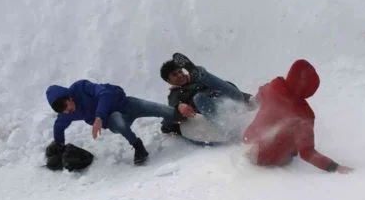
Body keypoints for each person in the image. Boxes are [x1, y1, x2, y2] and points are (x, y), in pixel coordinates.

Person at [242, 59, 353, 174]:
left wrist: (249, 106)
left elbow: (258, 98)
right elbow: (307, 153)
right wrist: (334, 167)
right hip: (268, 159)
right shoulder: (303, 114)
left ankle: (252, 149)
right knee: (292, 137)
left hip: (248, 140)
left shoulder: (273, 87)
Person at [46, 80, 180, 166]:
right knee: (119, 121)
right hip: (112, 119)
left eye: (66, 106)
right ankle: (138, 147)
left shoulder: (81, 87)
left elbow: (104, 93)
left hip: (126, 104)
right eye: (63, 111)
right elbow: (59, 126)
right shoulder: (68, 114)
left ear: (69, 98)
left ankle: (172, 123)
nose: (67, 111)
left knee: (163, 110)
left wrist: (98, 117)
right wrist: (59, 145)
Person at [159, 52, 251, 134]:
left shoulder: (195, 79)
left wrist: (249, 98)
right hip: (216, 112)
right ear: (169, 81)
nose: (180, 75)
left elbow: (224, 86)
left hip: (232, 99)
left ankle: (201, 74)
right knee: (198, 98)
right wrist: (179, 106)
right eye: (174, 75)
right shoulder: (175, 94)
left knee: (217, 83)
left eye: (180, 71)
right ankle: (201, 73)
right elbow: (172, 106)